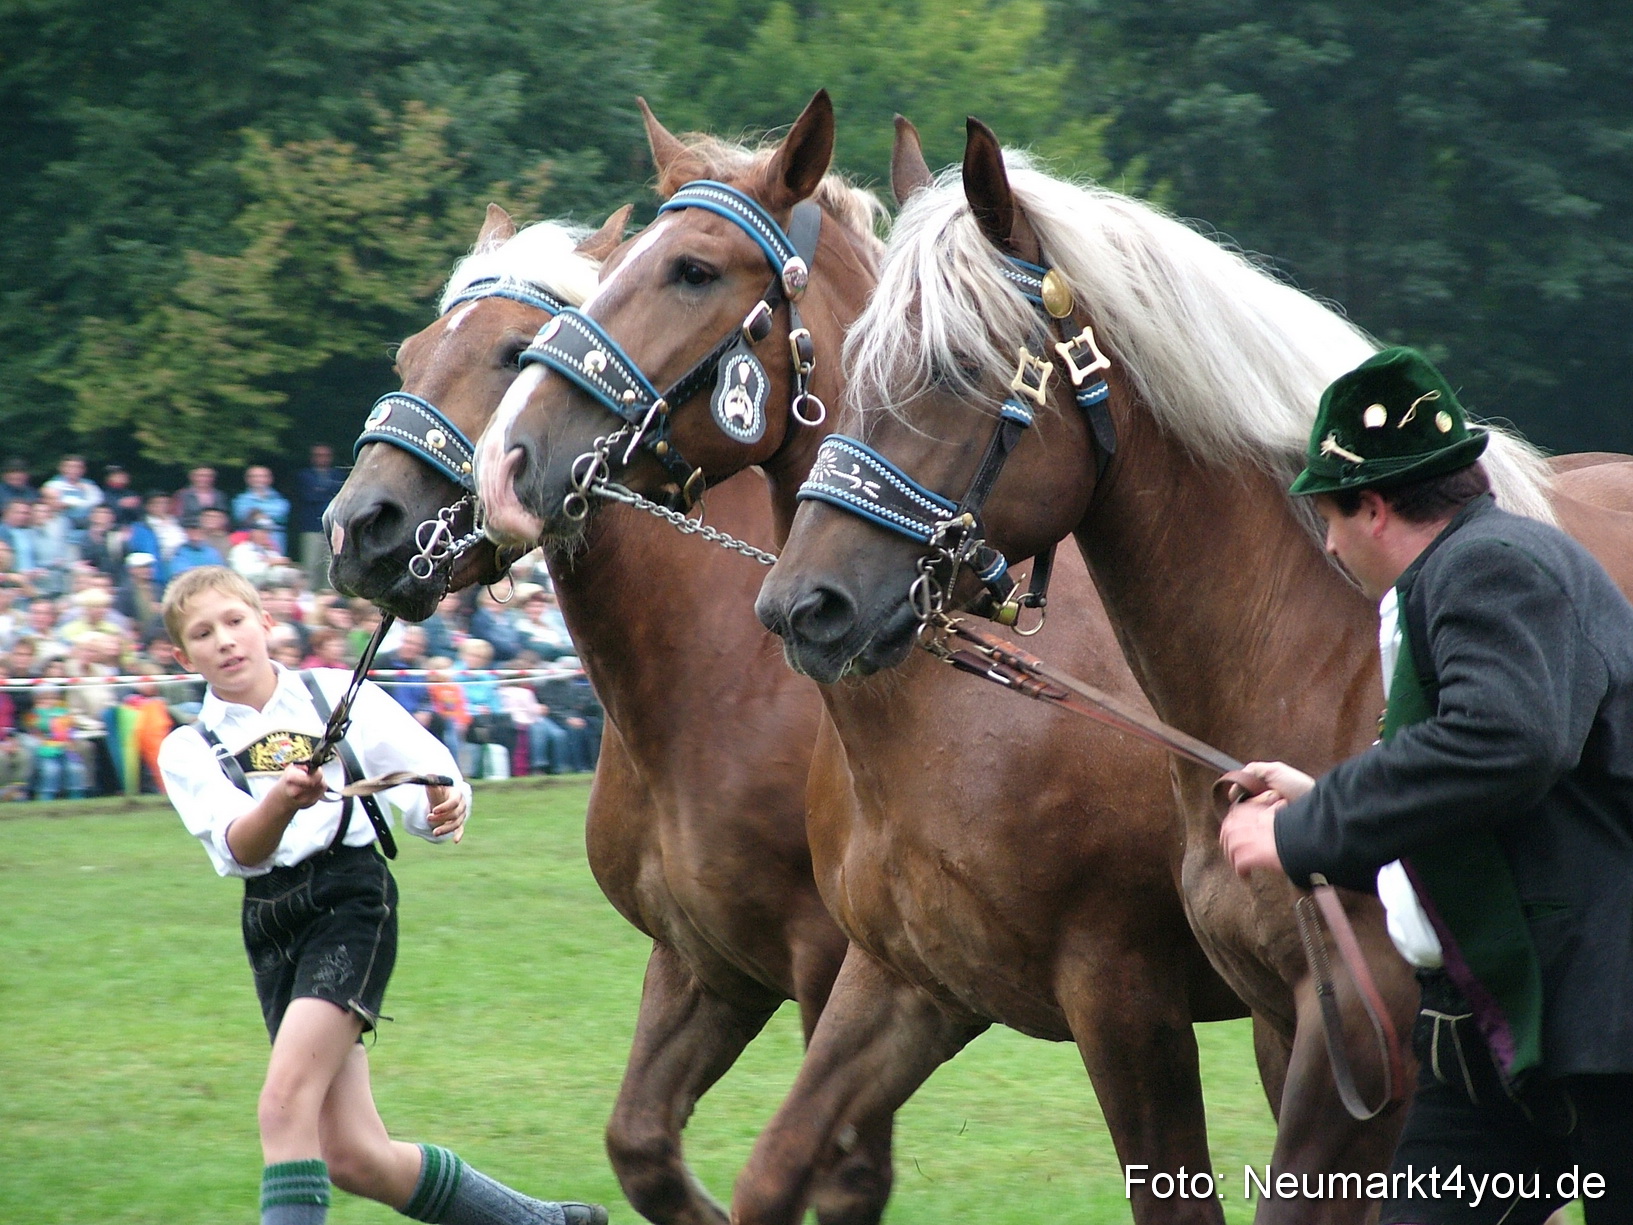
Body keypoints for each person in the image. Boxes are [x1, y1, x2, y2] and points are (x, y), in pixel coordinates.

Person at [1218, 347, 1633, 1224]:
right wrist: (1319, 791)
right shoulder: (1466, 571)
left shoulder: (1491, 566)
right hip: (1495, 1031)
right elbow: (1489, 788)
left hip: (1605, 1029)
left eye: (1326, 516)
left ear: (1371, 506)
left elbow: (1504, 742)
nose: (1325, 543)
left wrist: (1308, 829)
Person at [155, 567, 606, 1225]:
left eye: (234, 621)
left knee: (283, 1106)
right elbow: (242, 847)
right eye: (202, 633)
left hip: (352, 902)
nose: (224, 640)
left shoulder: (336, 691)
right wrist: (280, 800)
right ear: (181, 655)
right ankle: (547, 1223)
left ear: (266, 623)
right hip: (273, 924)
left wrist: (443, 799)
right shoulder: (187, 748)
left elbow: (428, 776)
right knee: (355, 1156)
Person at [294, 445, 346, 590]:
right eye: (318, 455)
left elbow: (339, 497)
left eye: (325, 455)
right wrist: (327, 492)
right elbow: (308, 496)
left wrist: (320, 491)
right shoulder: (304, 475)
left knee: (330, 564)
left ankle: (328, 597)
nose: (322, 459)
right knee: (310, 563)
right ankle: (308, 595)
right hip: (311, 526)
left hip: (332, 527)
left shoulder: (337, 475)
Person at [234, 465, 292, 552]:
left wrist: (257, 513)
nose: (259, 479)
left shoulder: (279, 498)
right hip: (250, 540)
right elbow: (241, 517)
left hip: (276, 540)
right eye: (255, 476)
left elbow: (282, 513)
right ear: (247, 479)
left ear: (270, 479)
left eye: (263, 476)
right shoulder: (240, 499)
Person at [42, 455, 103, 528]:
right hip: (60, 523)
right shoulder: (52, 485)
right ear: (62, 468)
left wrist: (69, 504)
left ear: (83, 469)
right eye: (70, 467)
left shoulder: (90, 485)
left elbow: (97, 501)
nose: (73, 470)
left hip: (87, 523)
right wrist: (82, 502)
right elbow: (55, 504)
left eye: (77, 467)